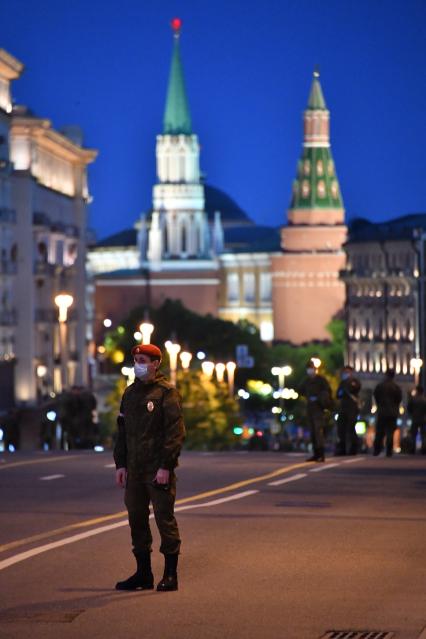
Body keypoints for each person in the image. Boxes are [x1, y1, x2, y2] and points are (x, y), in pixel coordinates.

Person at [114, 343, 185, 592]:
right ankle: (143, 574)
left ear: (155, 363)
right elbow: (121, 432)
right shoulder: (130, 393)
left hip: (157, 469)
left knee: (164, 519)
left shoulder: (166, 393)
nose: (138, 364)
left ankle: (170, 574)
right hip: (134, 470)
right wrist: (120, 464)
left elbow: (175, 433)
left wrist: (166, 466)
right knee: (137, 520)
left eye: (143, 360)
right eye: (136, 359)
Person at [299, 360, 332, 462]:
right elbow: (300, 390)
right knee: (312, 432)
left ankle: (321, 454)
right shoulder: (306, 381)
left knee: (318, 431)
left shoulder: (321, 380)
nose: (310, 370)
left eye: (312, 368)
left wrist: (319, 398)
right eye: (309, 368)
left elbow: (328, 391)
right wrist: (308, 397)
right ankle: (316, 454)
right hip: (310, 407)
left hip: (319, 408)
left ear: (315, 369)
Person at [373, 368, 402, 457]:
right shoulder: (396, 387)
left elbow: (376, 396)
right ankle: (389, 450)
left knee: (380, 431)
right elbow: (399, 399)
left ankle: (377, 450)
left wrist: (379, 405)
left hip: (382, 411)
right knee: (390, 432)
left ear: (386, 375)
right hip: (393, 412)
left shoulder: (380, 386)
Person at [335, 365, 361, 456]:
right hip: (343, 408)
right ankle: (342, 449)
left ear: (351, 373)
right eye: (345, 372)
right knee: (341, 429)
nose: (346, 374)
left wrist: (348, 385)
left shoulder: (354, 381)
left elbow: (356, 388)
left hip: (352, 408)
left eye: (347, 372)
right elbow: (338, 395)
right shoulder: (342, 383)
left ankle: (353, 449)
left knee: (351, 428)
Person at [406, 385, 426, 455]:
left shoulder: (413, 399)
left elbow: (409, 408)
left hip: (415, 418)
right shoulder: (424, 399)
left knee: (413, 434)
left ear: (417, 390)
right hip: (423, 419)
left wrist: (412, 413)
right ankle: (424, 448)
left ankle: (412, 449)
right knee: (423, 434)